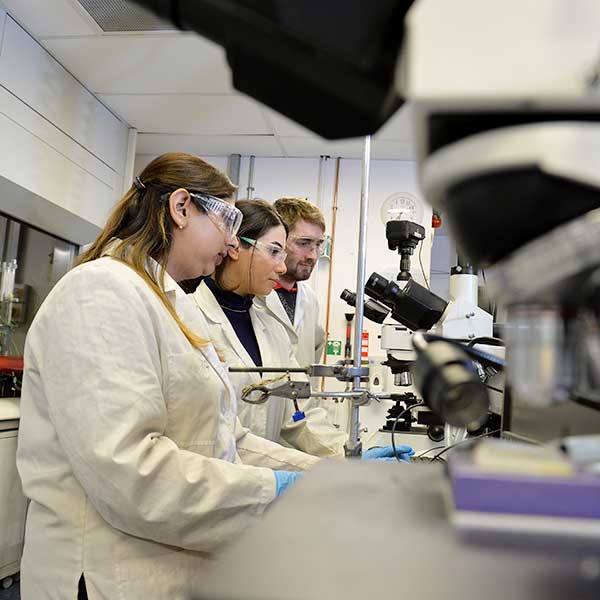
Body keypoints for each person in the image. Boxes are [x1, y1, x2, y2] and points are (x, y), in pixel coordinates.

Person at [16, 153, 319, 600]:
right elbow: (130, 472)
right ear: (181, 208)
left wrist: (324, 477)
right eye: (227, 219)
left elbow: (224, 438)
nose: (232, 240)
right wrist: (273, 491)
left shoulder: (166, 300)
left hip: (167, 568)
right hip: (107, 577)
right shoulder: (101, 291)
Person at [191, 200, 348, 458]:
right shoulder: (189, 310)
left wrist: (347, 453)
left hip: (262, 478)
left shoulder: (270, 323)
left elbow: (298, 408)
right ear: (233, 246)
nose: (282, 267)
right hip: (209, 479)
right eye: (275, 252)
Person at [256, 197, 327, 368]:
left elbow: (314, 351)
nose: (313, 256)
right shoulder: (252, 294)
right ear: (279, 240)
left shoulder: (309, 299)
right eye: (304, 243)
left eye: (318, 245)